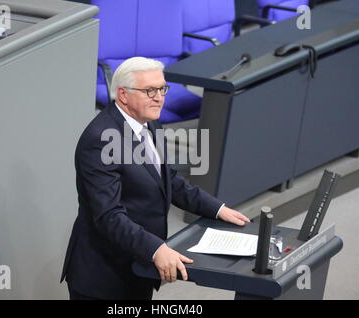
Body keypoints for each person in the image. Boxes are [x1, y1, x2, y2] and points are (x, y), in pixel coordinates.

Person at [60, 57, 250, 300]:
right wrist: (156, 249)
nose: (159, 97)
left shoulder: (150, 122)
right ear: (123, 95)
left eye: (162, 89)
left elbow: (168, 180)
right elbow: (109, 216)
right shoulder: (100, 141)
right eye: (149, 91)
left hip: (139, 265)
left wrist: (217, 209)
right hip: (105, 276)